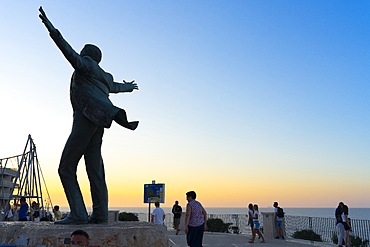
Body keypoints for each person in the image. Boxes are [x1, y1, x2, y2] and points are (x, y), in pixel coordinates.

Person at [39, 7, 139, 225]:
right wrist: (129, 87)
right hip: (100, 122)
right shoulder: (104, 75)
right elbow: (116, 87)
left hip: (85, 120)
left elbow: (68, 52)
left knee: (66, 167)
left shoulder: (85, 66)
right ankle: (101, 213)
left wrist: (52, 30)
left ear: (88, 54)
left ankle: (78, 214)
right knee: (95, 169)